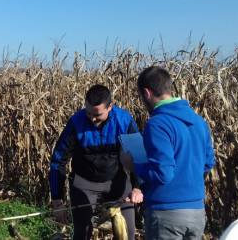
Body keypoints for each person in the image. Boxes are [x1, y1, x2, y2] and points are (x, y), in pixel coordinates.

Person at [49, 84, 142, 240]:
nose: (92, 118)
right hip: (84, 183)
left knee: (128, 233)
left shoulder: (124, 121)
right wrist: (57, 201)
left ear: (110, 107)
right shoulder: (76, 123)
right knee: (82, 234)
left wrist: (138, 188)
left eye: (97, 115)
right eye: (88, 112)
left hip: (117, 181)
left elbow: (138, 155)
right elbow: (58, 161)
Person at [135, 66, 215, 240]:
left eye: (141, 97)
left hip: (166, 213)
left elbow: (163, 173)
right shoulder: (198, 121)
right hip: (196, 212)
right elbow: (208, 162)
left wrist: (134, 166)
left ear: (147, 93)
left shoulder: (158, 124)